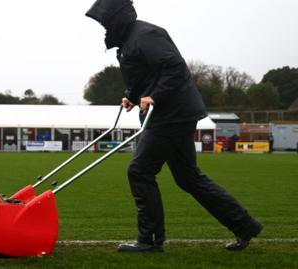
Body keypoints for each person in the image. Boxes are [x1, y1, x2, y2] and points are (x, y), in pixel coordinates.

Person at [86, 0, 262, 252]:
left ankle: (149, 241)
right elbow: (146, 74)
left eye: (106, 22)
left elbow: (175, 68)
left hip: (171, 114)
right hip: (172, 113)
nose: (104, 27)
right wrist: (133, 96)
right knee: (188, 178)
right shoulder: (130, 40)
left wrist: (154, 96)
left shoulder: (145, 35)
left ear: (118, 18)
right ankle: (245, 225)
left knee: (140, 170)